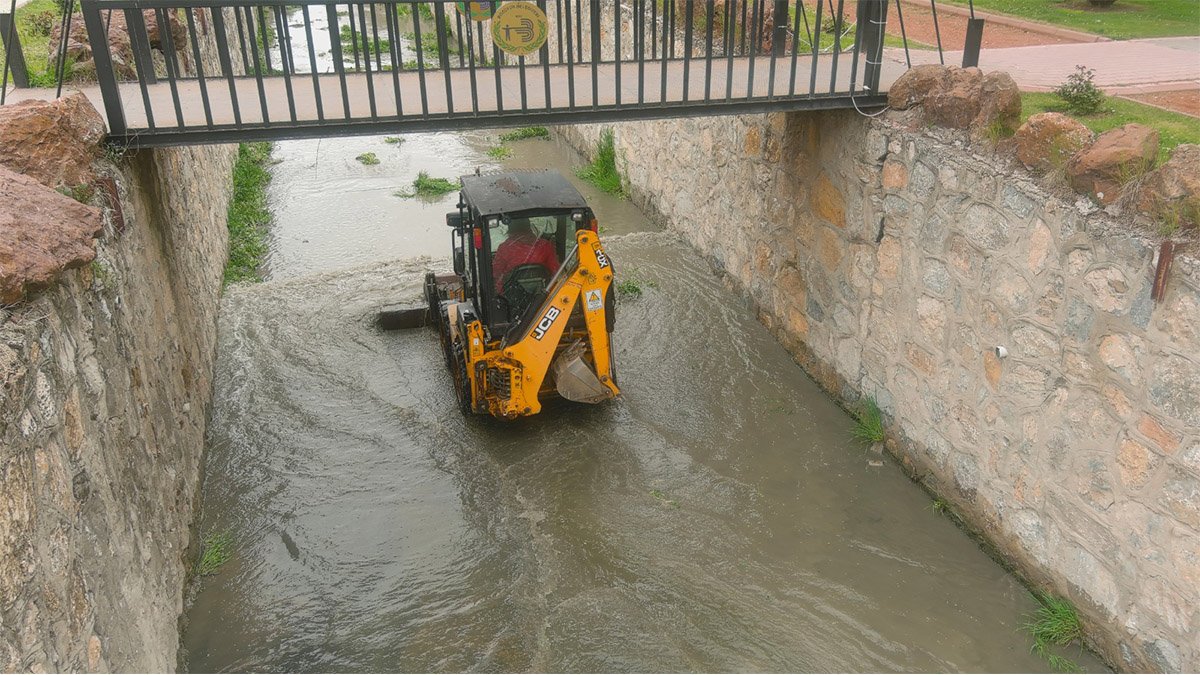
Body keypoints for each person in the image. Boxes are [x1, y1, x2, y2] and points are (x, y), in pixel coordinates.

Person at [491, 218, 558, 293]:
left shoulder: (505, 248)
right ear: (529, 228)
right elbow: (556, 272)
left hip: (512, 296)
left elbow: (495, 274)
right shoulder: (545, 245)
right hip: (542, 295)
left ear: (510, 229)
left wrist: (500, 294)